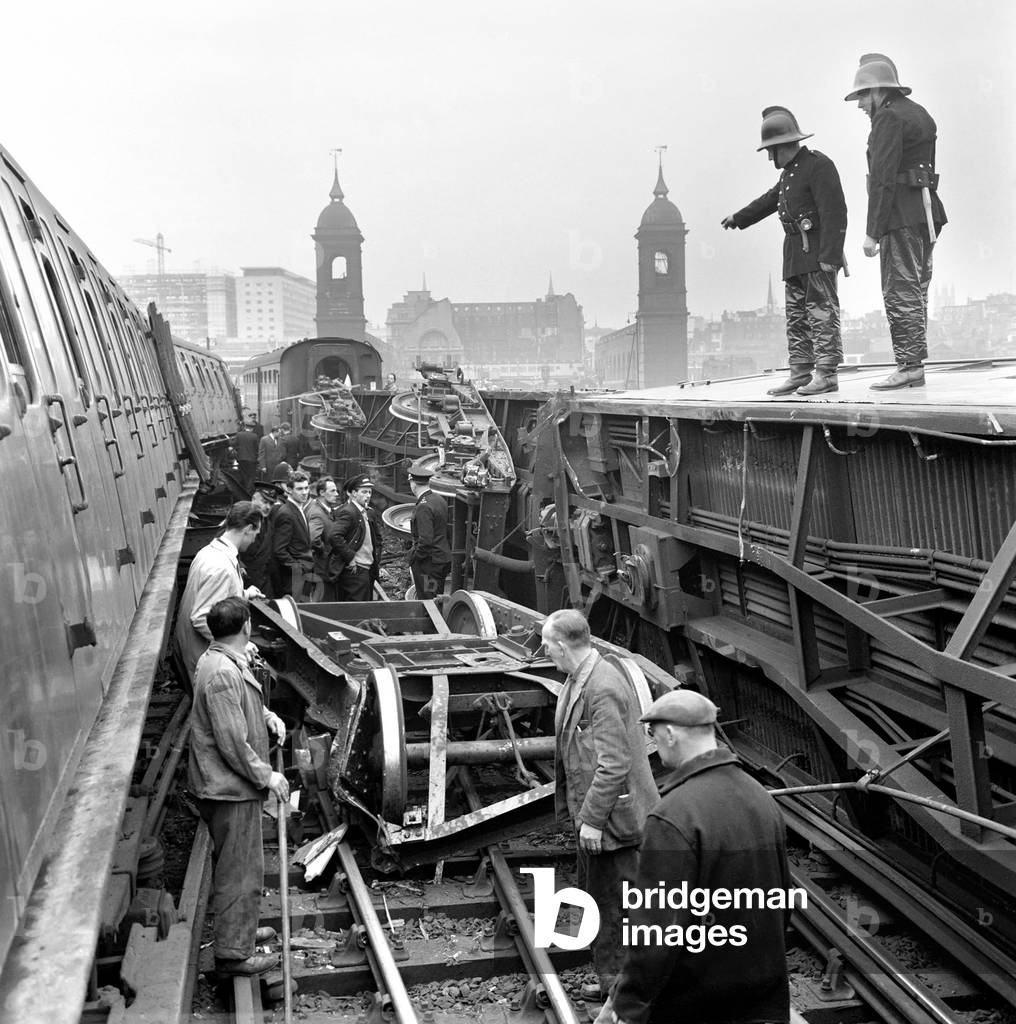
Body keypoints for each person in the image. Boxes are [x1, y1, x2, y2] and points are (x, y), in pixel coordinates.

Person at [599, 689, 791, 1024]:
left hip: (696, 1003)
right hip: (760, 996)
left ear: (670, 734)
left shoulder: (674, 814)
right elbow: (781, 903)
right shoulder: (761, 798)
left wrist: (628, 1004)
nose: (654, 744)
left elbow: (656, 931)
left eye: (653, 734)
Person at [543, 609, 658, 1002]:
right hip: (599, 817)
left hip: (615, 820)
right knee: (601, 899)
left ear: (562, 645)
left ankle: (629, 993)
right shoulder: (579, 679)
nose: (544, 651)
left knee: (619, 905)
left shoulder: (602, 686)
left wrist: (590, 819)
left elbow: (615, 762)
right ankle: (614, 985)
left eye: (547, 644)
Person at [188, 597, 289, 977]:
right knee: (239, 872)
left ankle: (241, 933)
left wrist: (267, 715)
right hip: (229, 788)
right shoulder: (221, 673)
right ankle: (233, 954)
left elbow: (238, 707)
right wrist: (268, 776)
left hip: (232, 787)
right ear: (245, 627)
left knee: (243, 868)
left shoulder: (219, 661)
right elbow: (232, 743)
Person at [722, 107, 847, 396]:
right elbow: (769, 201)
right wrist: (739, 218)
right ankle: (801, 372)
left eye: (771, 151)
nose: (769, 157)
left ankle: (827, 374)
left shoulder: (819, 165)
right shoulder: (790, 173)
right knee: (797, 317)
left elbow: (835, 212)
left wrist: (830, 255)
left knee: (821, 313)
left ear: (782, 146)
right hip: (794, 254)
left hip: (817, 254)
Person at [845, 53, 947, 390]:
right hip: (927, 214)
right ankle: (913, 364)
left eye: (862, 96)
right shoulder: (920, 114)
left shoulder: (887, 119)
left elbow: (883, 179)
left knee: (900, 291)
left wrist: (872, 233)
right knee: (917, 290)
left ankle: (909, 367)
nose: (860, 105)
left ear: (876, 92)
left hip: (900, 216)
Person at [175, 502, 264, 685]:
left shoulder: (209, 552)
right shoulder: (221, 567)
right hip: (202, 657)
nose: (255, 539)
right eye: (255, 533)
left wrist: (243, 594)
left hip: (191, 649)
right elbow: (201, 617)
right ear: (248, 529)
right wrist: (239, 644)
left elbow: (216, 597)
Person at [325, 475, 385, 602]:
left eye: (369, 492)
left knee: (365, 606)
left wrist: (376, 558)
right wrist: (350, 557)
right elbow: (334, 536)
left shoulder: (368, 512)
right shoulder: (349, 512)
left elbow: (377, 539)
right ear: (353, 493)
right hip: (356, 572)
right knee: (358, 609)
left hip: (367, 569)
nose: (368, 496)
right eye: (364, 492)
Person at [407, 458, 452, 599]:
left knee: (428, 599)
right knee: (436, 596)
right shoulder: (439, 499)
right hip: (441, 559)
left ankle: (431, 621)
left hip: (429, 566)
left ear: (413, 484)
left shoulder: (423, 507)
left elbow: (425, 540)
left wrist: (415, 558)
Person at [270, 469, 314, 600]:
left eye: (306, 488)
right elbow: (279, 550)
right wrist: (297, 568)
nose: (305, 492)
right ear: (289, 490)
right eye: (299, 489)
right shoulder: (286, 513)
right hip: (293, 579)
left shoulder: (298, 509)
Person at [241, 481, 284, 597]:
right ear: (253, 499)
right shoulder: (240, 518)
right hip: (244, 584)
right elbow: (223, 543)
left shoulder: (268, 523)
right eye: (264, 502)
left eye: (271, 503)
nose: (268, 507)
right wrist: (239, 566)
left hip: (264, 584)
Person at [306, 477, 340, 599]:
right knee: (325, 602)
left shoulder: (324, 509)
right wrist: (325, 552)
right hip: (323, 568)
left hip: (325, 568)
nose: (336, 494)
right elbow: (313, 539)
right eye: (332, 491)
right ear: (321, 493)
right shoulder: (317, 513)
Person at [234, 421, 260, 493]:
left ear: (245, 427)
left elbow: (233, 444)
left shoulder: (239, 434)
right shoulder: (254, 436)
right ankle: (248, 491)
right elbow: (257, 448)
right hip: (251, 459)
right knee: (251, 476)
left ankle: (245, 490)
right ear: (252, 429)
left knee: (244, 475)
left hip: (241, 459)